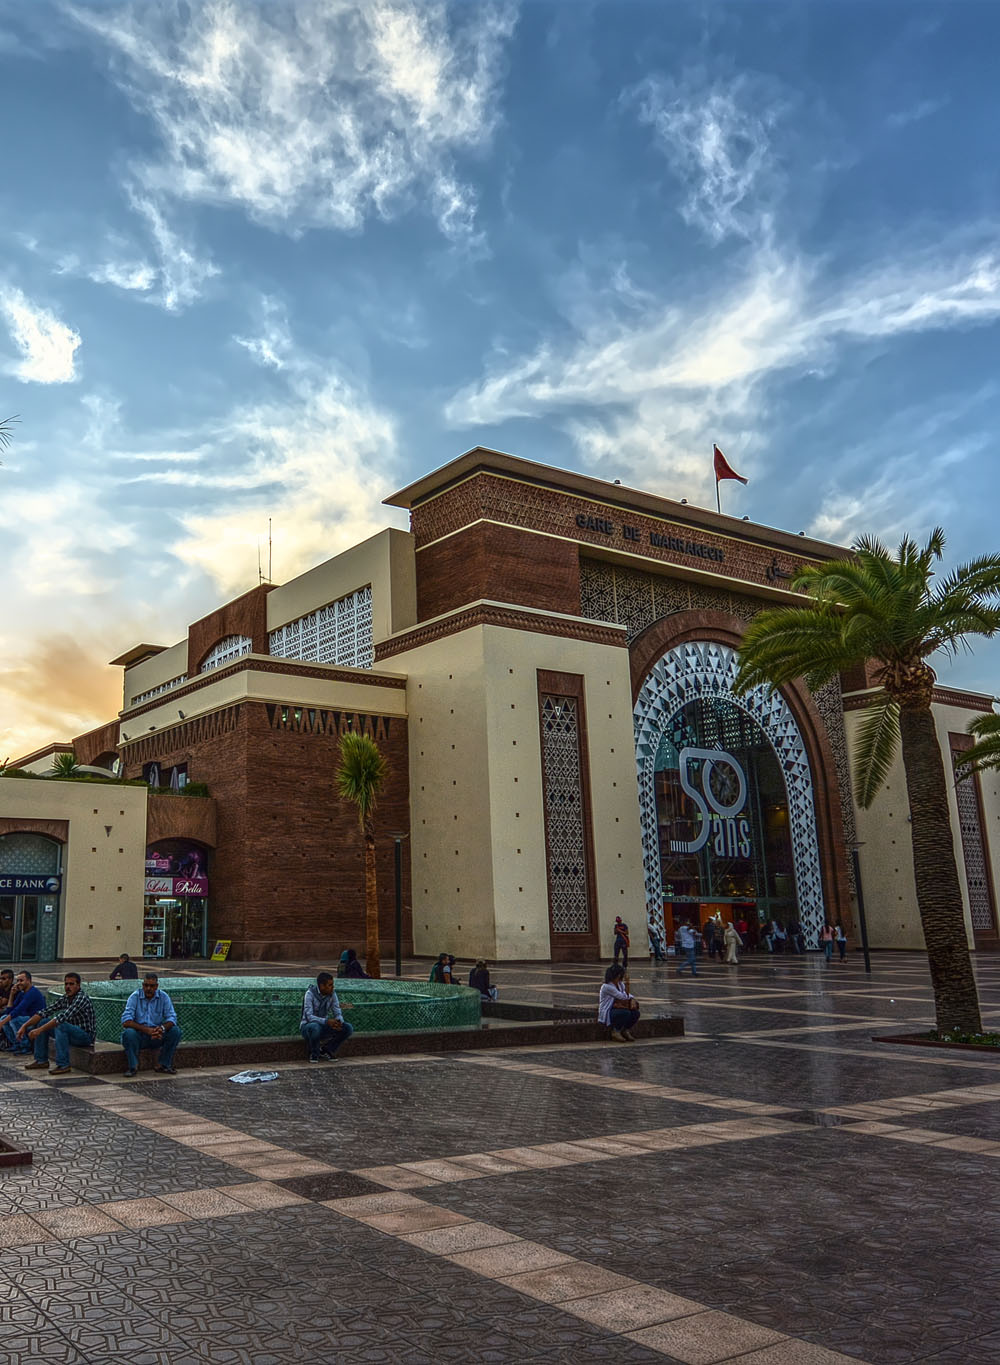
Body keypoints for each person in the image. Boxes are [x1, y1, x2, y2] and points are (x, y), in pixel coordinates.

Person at [23, 972, 96, 1074]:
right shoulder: (66, 998)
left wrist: (39, 1030)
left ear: (78, 985)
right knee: (43, 1021)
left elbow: (61, 1018)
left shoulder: (81, 998)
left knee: (61, 1025)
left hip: (85, 1036)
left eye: (71, 984)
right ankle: (41, 1060)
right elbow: (45, 1011)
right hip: (71, 1032)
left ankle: (63, 1065)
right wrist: (24, 1026)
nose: (68, 987)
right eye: (66, 984)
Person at [120, 973, 182, 1077]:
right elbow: (126, 1021)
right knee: (128, 1034)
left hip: (157, 1035)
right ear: (142, 985)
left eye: (152, 986)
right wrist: (146, 1030)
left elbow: (172, 1017)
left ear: (156, 986)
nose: (148, 988)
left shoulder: (163, 997)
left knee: (175, 1031)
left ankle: (164, 1064)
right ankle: (133, 1067)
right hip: (140, 1036)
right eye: (146, 985)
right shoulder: (134, 997)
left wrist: (161, 1028)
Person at [299, 971, 354, 1062]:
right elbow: (309, 1017)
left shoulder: (332, 994)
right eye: (330, 985)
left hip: (323, 1026)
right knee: (315, 1027)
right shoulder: (309, 994)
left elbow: (337, 1012)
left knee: (348, 1028)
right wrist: (326, 1021)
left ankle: (327, 1050)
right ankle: (314, 1053)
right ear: (322, 986)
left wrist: (339, 1022)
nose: (333, 987)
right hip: (308, 1027)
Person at [1, 970, 47, 1054]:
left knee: (13, 1020)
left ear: (29, 981)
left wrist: (2, 1022)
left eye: (21, 981)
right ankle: (16, 1044)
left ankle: (25, 1046)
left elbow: (18, 1010)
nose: (18, 983)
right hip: (25, 1018)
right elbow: (9, 1011)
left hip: (35, 1019)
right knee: (3, 1018)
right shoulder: (21, 993)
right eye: (17, 981)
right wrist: (11, 995)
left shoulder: (32, 992)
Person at [599, 964, 640, 1042]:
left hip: (617, 1007)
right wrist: (627, 983)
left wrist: (633, 999)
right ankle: (616, 1031)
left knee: (636, 1013)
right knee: (625, 1013)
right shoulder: (607, 986)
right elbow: (623, 997)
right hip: (608, 1010)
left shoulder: (620, 984)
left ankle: (625, 1030)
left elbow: (627, 994)